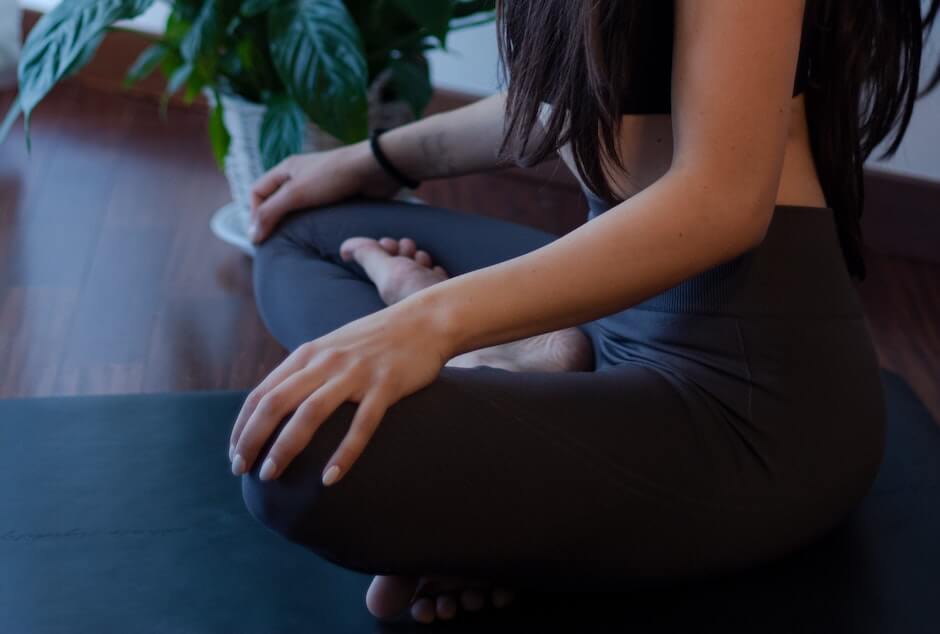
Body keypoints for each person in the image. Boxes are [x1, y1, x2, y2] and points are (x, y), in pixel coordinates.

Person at [228, 0, 940, 625]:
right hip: (609, 311)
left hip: (747, 398)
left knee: (296, 467)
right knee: (298, 228)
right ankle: (526, 381)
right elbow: (566, 95)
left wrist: (424, 323)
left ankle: (508, 389)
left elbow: (722, 200)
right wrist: (372, 159)